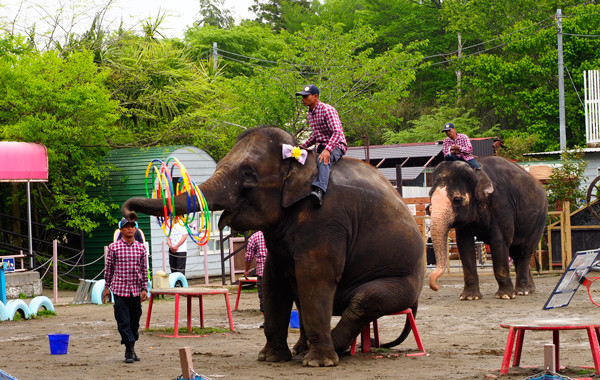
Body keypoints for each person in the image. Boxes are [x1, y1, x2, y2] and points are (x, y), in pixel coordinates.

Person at [103, 217, 148, 364]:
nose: (130, 229)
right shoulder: (114, 247)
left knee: (135, 320)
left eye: (132, 226)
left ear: (135, 229)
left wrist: (144, 288)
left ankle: (132, 347)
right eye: (126, 226)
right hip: (119, 288)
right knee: (123, 320)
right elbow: (109, 268)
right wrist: (106, 287)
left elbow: (144, 269)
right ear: (121, 229)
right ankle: (128, 349)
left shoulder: (141, 248)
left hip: (135, 289)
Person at [296, 84, 348, 206]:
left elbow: (337, 132)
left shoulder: (327, 110)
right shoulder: (309, 114)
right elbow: (316, 136)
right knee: (303, 158)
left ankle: (319, 190)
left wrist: (328, 150)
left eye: (305, 96)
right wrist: (302, 146)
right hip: (320, 144)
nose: (303, 99)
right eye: (302, 97)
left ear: (315, 96)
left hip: (336, 144)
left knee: (322, 160)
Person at [244, 231, 268, 328]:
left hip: (262, 272)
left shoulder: (255, 237)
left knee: (264, 297)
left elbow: (248, 256)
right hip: (278, 271)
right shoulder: (276, 232)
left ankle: (268, 321)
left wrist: (246, 270)